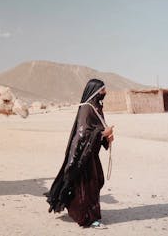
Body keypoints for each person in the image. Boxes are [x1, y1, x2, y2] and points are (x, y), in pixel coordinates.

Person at [46, 79, 115, 229]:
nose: (105, 93)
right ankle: (89, 219)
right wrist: (103, 133)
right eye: (103, 90)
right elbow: (83, 134)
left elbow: (97, 129)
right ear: (96, 91)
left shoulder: (96, 107)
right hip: (83, 154)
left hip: (91, 154)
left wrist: (106, 137)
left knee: (95, 183)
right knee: (87, 187)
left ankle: (84, 212)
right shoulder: (86, 108)